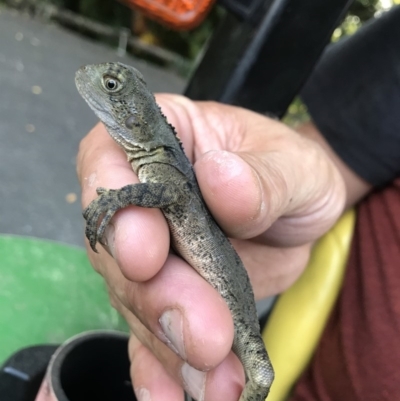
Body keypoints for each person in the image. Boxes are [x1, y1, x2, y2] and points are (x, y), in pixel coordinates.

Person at [76, 5, 400, 401]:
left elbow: (171, 194)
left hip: (242, 309)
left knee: (259, 374)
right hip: (266, 334)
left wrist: (120, 196)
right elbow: (344, 148)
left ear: (138, 120)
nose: (91, 80)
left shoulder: (162, 167)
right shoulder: (158, 159)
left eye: (111, 86)